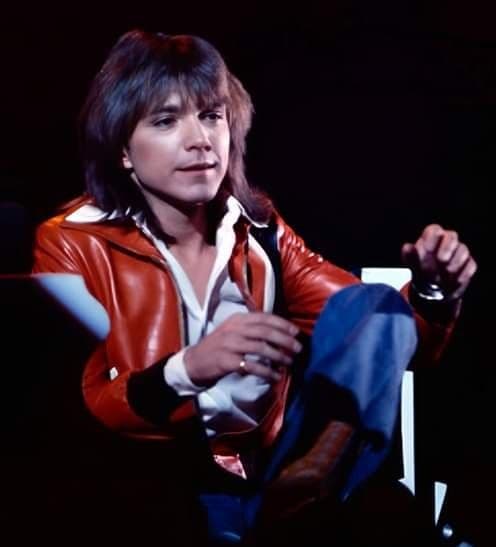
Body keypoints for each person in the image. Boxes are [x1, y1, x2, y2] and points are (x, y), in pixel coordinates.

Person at [32, 29, 477, 546]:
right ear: (124, 150)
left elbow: (389, 337)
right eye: (166, 120)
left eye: (211, 116)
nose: (200, 140)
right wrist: (189, 368)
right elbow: (78, 411)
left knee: (373, 306)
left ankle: (320, 470)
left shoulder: (260, 230)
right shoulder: (72, 242)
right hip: (160, 478)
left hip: (276, 467)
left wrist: (434, 291)